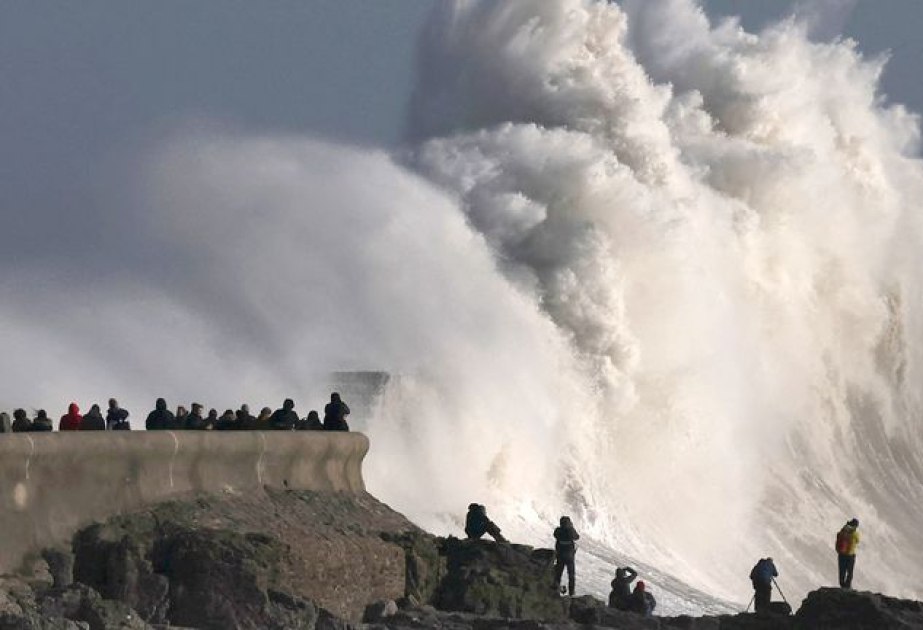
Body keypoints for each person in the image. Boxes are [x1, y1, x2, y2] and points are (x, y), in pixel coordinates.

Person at [552, 516, 580, 596]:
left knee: (558, 574)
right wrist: (571, 527)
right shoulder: (570, 531)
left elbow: (555, 535)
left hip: (560, 555)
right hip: (569, 556)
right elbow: (577, 537)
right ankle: (571, 593)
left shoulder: (558, 531)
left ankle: (555, 590)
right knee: (571, 575)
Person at [836, 518, 860, 589]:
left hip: (841, 553)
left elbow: (838, 536)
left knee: (842, 570)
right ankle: (848, 586)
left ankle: (842, 584)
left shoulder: (842, 531)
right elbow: (858, 540)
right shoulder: (855, 533)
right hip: (850, 555)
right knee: (850, 572)